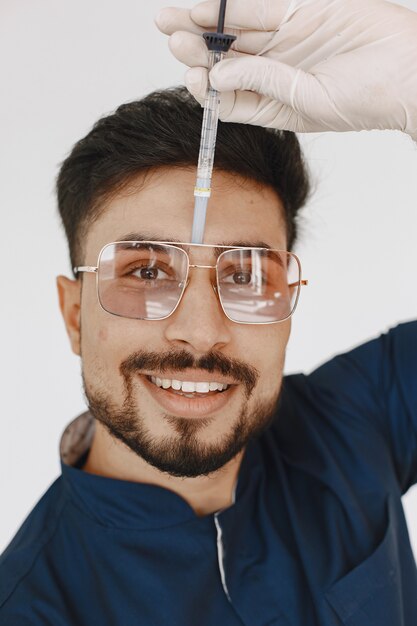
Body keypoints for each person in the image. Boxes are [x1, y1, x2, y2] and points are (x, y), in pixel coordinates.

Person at [0, 0, 416, 624]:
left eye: (246, 275)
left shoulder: (355, 421)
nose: (201, 330)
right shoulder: (33, 607)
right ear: (75, 315)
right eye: (144, 272)